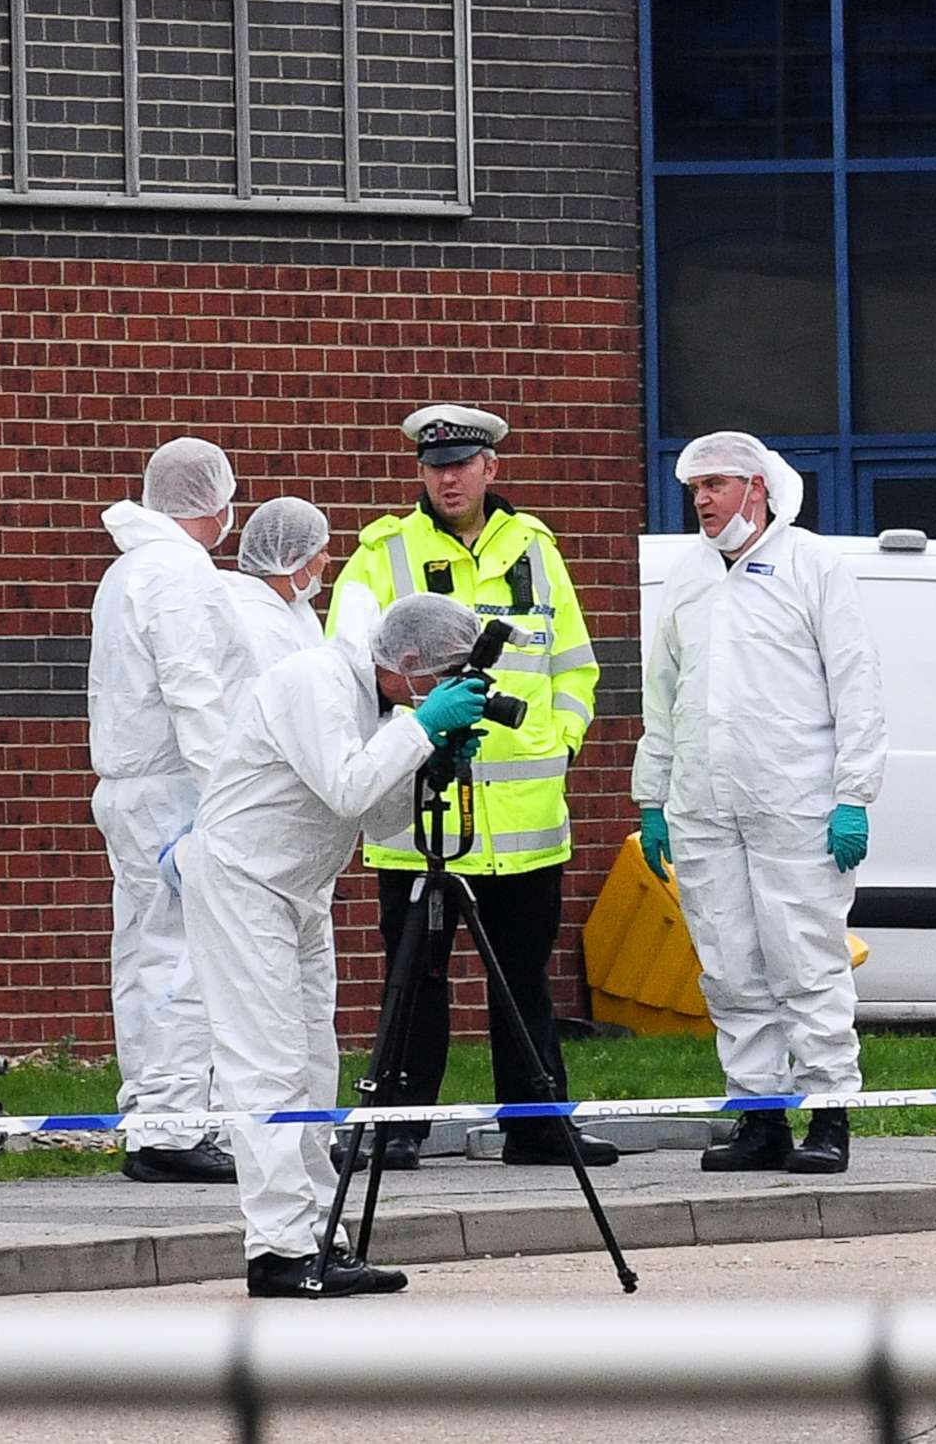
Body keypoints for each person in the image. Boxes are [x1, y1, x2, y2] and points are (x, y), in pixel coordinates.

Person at [177, 593, 491, 1298]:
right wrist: (421, 733)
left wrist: (429, 761)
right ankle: (278, 1250)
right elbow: (348, 788)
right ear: (409, 662)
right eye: (443, 678)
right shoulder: (315, 681)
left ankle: (322, 1236)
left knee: (316, 1066)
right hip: (241, 882)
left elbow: (378, 821)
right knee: (268, 1068)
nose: (441, 693)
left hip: (299, 889)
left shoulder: (381, 709)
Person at [325, 404, 613, 1170]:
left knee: (524, 979)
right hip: (420, 807)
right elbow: (348, 671)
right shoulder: (382, 552)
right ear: (419, 472)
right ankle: (395, 1125)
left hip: (523, 818)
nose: (447, 477)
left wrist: (561, 746)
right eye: (434, 465)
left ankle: (538, 1125)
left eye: (461, 463)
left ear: (491, 468)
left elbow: (575, 668)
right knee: (413, 977)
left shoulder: (536, 549)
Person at [633, 430, 887, 1174]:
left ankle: (831, 1112)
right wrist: (653, 796)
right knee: (728, 967)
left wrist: (853, 796)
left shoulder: (812, 568)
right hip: (705, 808)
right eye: (695, 489)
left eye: (714, 486)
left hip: (794, 806)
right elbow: (664, 695)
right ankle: (758, 1114)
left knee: (805, 962)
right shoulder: (689, 576)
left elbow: (857, 687)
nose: (701, 501)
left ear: (757, 488)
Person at [87, 436, 247, 1184]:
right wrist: (227, 794)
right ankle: (177, 1123)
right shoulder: (181, 574)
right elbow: (194, 689)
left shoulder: (127, 571)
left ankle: (149, 1112)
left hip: (127, 787)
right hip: (176, 789)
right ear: (213, 502)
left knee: (142, 952)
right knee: (187, 954)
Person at [226, 496, 332, 674]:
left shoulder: (294, 608)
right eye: (322, 551)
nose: (328, 560)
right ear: (293, 557)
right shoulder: (259, 623)